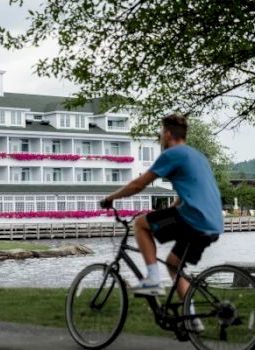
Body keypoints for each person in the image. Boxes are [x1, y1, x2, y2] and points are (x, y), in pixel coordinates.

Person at [100, 113, 223, 329]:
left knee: (140, 223)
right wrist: (170, 209)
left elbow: (139, 184)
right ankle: (192, 320)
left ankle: (152, 280)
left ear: (167, 134)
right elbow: (193, 191)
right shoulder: (197, 156)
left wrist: (110, 198)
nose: (159, 138)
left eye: (160, 133)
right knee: (174, 265)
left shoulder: (173, 153)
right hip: (212, 223)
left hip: (193, 219)